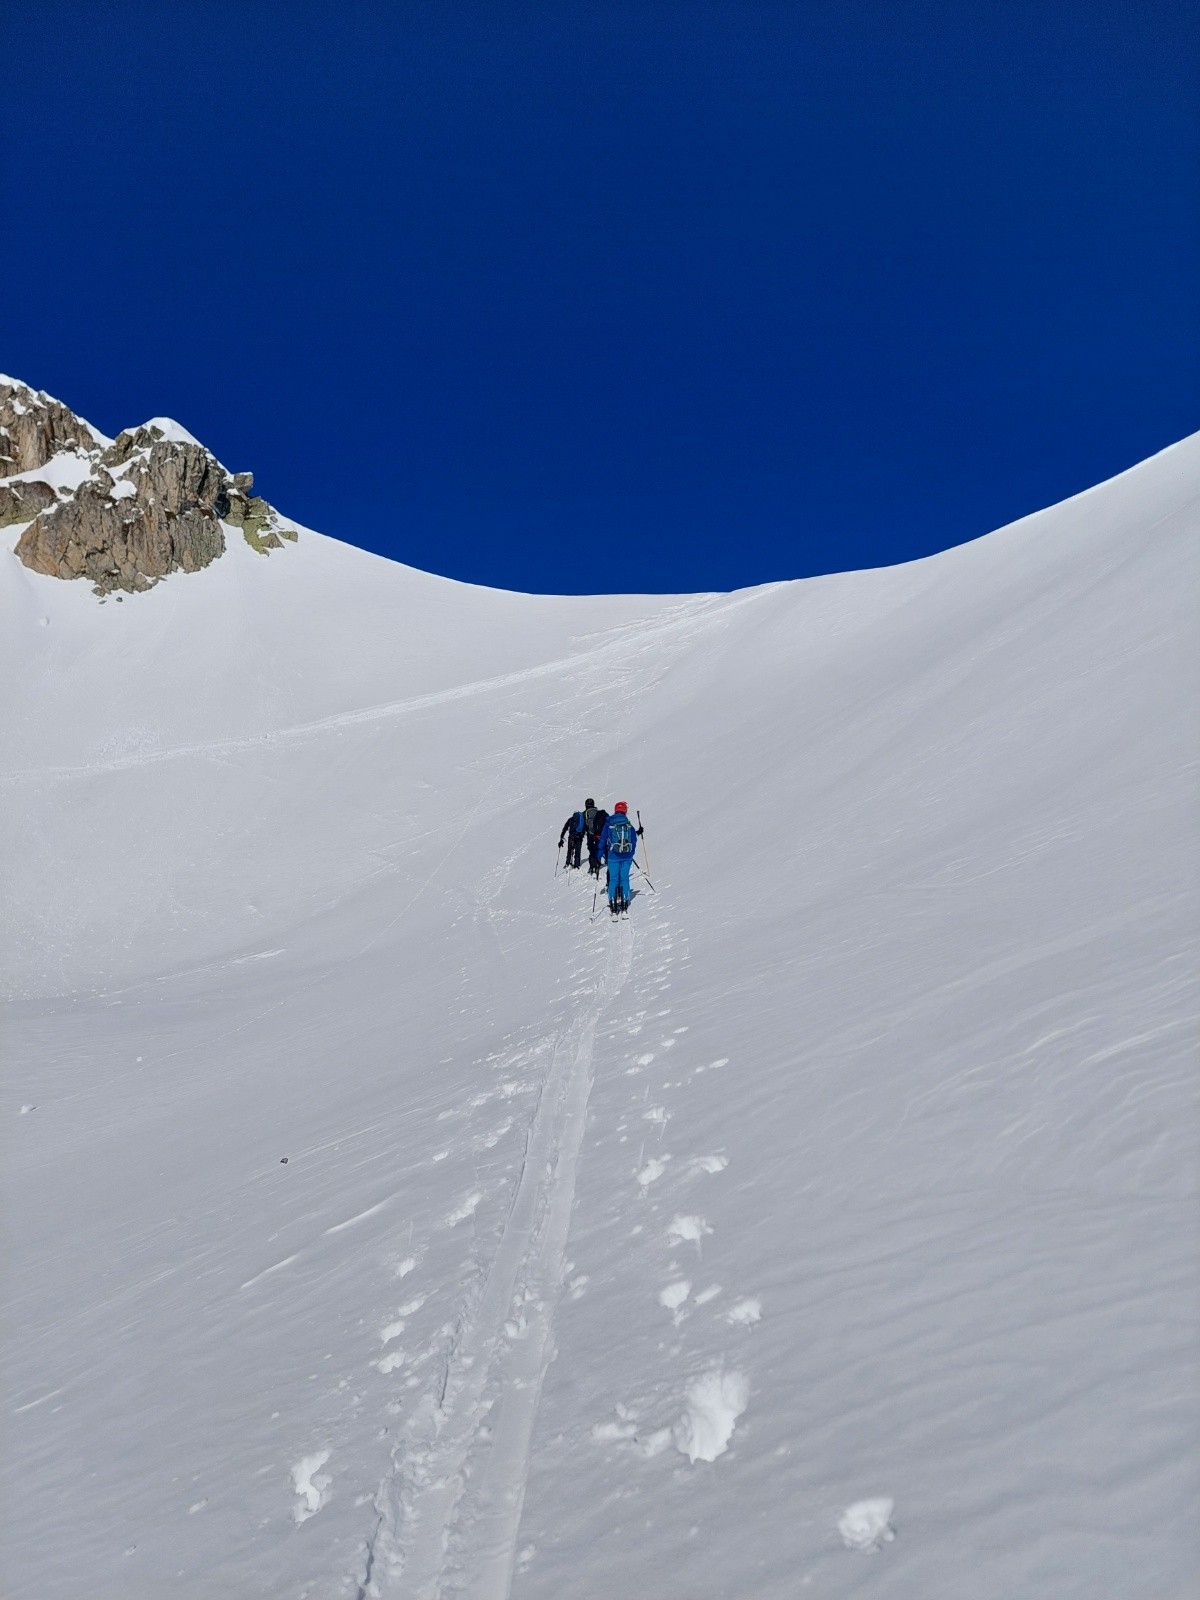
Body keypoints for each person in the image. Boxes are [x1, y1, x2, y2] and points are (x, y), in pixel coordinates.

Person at [598, 801, 638, 914]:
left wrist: (599, 854)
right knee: (624, 878)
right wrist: (631, 853)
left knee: (614, 879)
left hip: (612, 856)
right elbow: (634, 840)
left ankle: (613, 902)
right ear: (625, 811)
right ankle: (625, 901)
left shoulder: (609, 823)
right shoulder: (628, 824)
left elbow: (603, 840)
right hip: (627, 856)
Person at [583, 799, 608, 877]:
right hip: (599, 834)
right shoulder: (598, 812)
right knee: (599, 847)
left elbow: (584, 824)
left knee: (591, 850)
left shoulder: (585, 813)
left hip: (590, 834)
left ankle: (593, 866)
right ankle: (601, 861)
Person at [558, 804, 586, 869]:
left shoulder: (570, 819)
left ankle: (568, 863)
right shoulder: (582, 820)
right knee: (578, 851)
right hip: (579, 837)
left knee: (569, 850)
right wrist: (582, 835)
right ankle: (577, 865)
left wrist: (561, 837)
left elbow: (565, 828)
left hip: (571, 837)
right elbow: (584, 828)